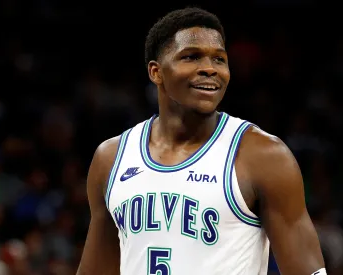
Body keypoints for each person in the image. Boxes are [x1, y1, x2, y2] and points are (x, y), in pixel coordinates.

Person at [76, 7, 326, 275]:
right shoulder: (111, 158)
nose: (209, 69)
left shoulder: (263, 156)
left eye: (219, 59)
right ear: (156, 72)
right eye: (192, 57)